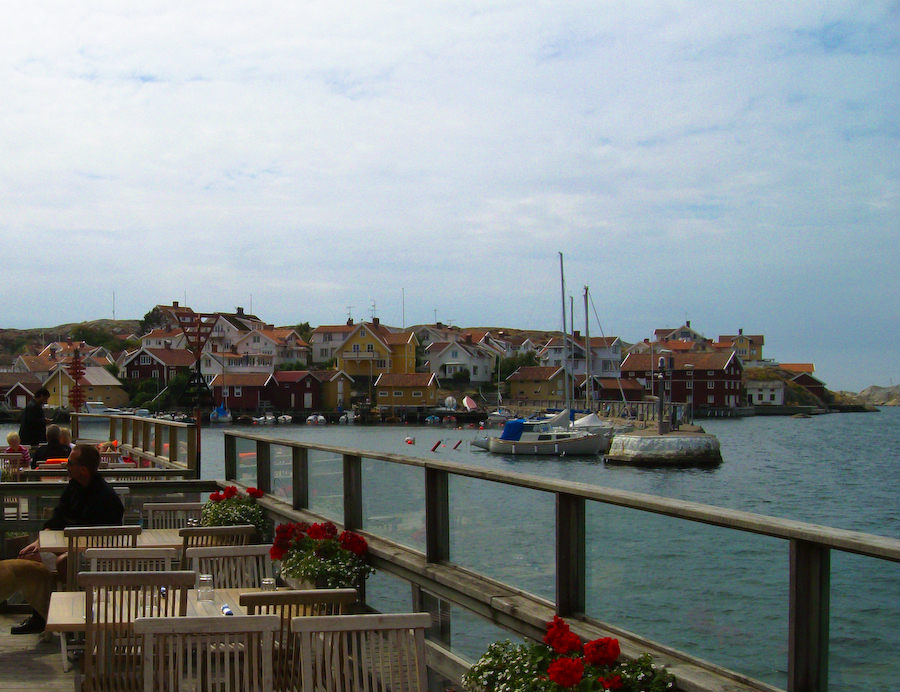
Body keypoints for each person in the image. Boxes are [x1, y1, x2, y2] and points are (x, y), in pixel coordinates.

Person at [12, 444, 124, 634]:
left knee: (64, 562)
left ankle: (72, 616)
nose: (66, 466)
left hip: (94, 556)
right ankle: (42, 615)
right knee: (27, 560)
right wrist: (40, 542)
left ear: (83, 469)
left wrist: (63, 548)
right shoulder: (73, 488)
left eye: (69, 463)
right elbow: (57, 519)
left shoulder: (106, 498)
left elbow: (104, 538)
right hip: (68, 548)